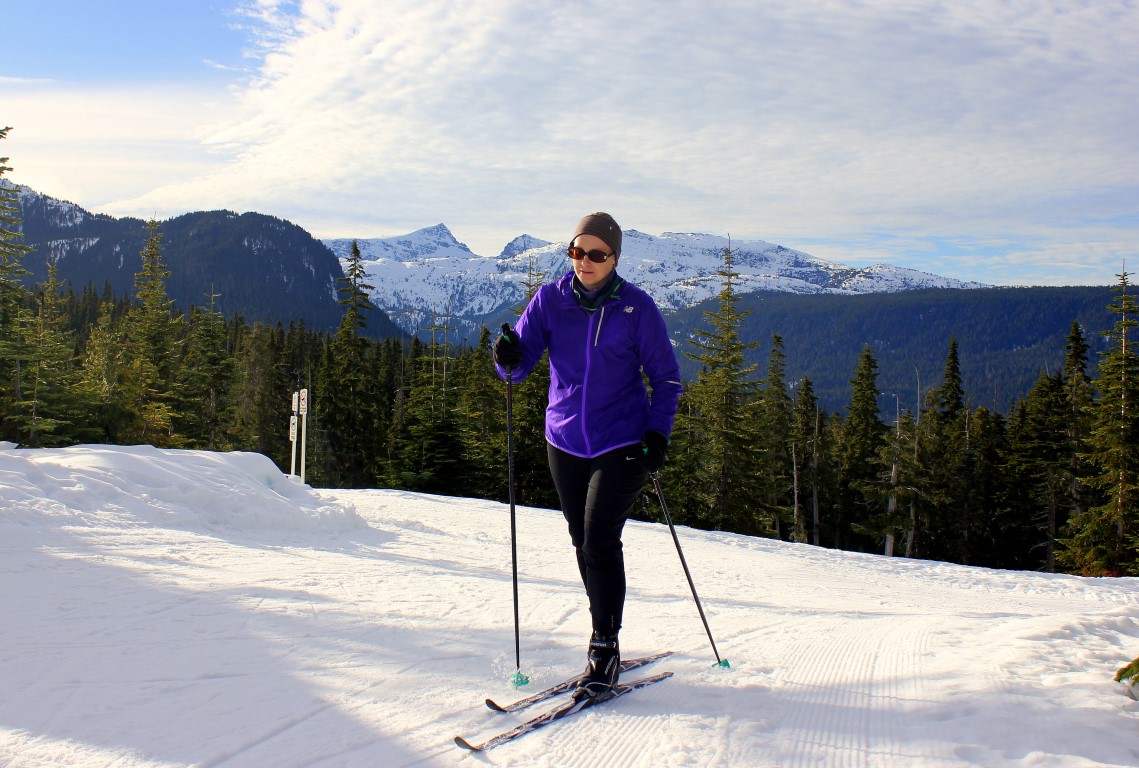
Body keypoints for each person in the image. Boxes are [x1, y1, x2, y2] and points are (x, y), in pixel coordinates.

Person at [492, 211, 683, 699]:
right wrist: (508, 358)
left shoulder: (637, 308)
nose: (585, 262)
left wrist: (657, 435)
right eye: (577, 252)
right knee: (582, 540)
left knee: (599, 538)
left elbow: (666, 380)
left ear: (615, 257)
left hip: (622, 440)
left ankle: (605, 644)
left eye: (596, 253)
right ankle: (605, 624)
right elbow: (518, 366)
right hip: (565, 441)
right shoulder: (552, 299)